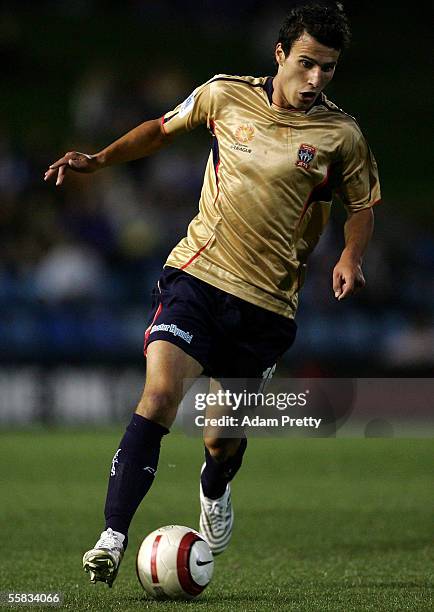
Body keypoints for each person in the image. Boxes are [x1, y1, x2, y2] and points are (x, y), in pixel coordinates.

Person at [44, 1, 381, 587]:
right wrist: (99, 160)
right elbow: (159, 130)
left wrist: (352, 255)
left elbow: (361, 204)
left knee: (221, 438)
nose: (316, 79)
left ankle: (214, 485)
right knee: (159, 394)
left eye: (328, 68)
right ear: (280, 55)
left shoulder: (340, 134)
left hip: (267, 303)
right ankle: (112, 535)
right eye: (306, 64)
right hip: (198, 275)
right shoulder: (225, 95)